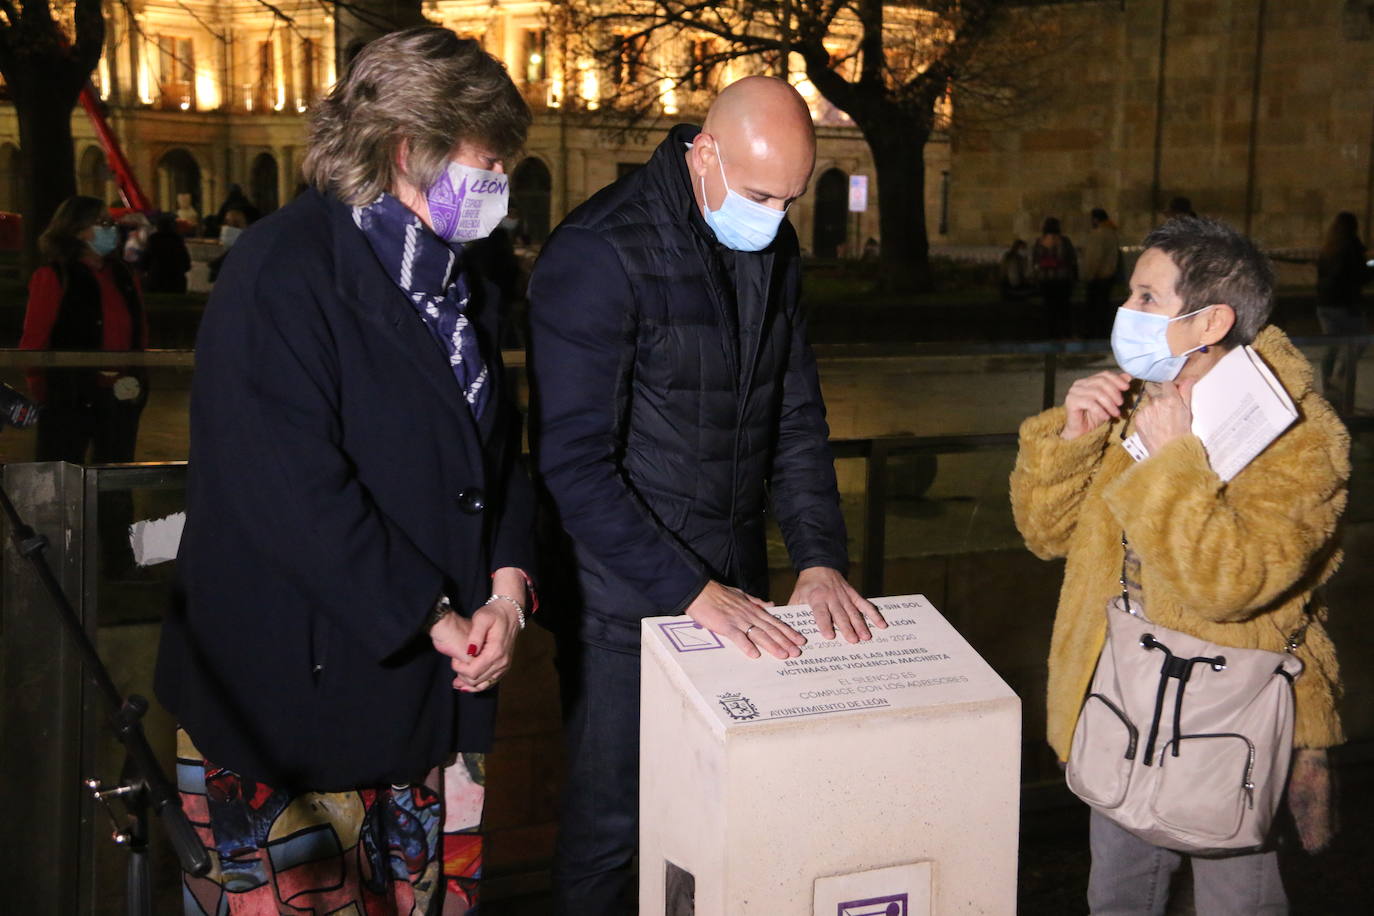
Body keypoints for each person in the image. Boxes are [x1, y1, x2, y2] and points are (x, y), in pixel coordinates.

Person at [155, 28, 536, 914]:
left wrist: (510, 589)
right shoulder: (280, 269)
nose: (501, 187)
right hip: (296, 703)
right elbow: (288, 492)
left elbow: (499, 456)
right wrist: (430, 615)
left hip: (433, 692)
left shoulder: (461, 281)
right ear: (410, 150)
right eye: (489, 163)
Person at [527, 76, 885, 915]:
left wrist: (820, 559)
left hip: (734, 592)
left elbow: (793, 416)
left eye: (790, 199)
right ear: (704, 153)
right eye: (762, 194)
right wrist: (687, 590)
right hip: (621, 610)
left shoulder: (773, 247)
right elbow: (572, 464)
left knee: (720, 819)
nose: (775, 215)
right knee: (610, 835)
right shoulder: (599, 252)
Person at [1010, 216, 1347, 914]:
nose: (1124, 312)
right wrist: (1073, 440)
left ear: (1210, 321)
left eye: (1144, 297)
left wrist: (1172, 464)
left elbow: (1233, 583)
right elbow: (1044, 535)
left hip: (1231, 719)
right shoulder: (1137, 401)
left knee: (1236, 901)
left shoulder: (1300, 436)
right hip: (1121, 699)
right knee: (1117, 897)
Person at [19, 195, 149, 465]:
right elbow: (35, 339)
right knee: (61, 475)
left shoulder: (124, 276)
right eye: (101, 222)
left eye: (111, 222)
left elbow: (140, 330)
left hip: (121, 395)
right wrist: (42, 388)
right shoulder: (55, 277)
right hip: (70, 395)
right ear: (76, 231)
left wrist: (140, 375)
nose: (110, 229)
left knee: (116, 476)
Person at [1315, 210, 1371, 403]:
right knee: (1360, 341)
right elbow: (1360, 276)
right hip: (1346, 306)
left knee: (1332, 346)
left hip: (1325, 305)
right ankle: (1341, 378)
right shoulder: (1353, 247)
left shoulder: (1328, 248)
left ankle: (1328, 384)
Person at [1031, 216, 1077, 337]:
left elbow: (1035, 261)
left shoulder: (1039, 242)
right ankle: (1064, 334)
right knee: (1063, 310)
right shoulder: (1064, 241)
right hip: (1062, 280)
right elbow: (1072, 259)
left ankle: (1050, 334)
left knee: (1049, 309)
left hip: (1046, 281)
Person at [1079, 208, 1121, 335]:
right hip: (1108, 276)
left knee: (1093, 308)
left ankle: (1092, 334)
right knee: (1104, 307)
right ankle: (1103, 333)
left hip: (1097, 277)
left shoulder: (1099, 234)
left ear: (1095, 219)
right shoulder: (1112, 233)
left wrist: (1089, 275)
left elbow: (1095, 257)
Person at [141, 212, 192, 293]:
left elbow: (145, 260)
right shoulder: (177, 240)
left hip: (156, 280)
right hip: (176, 281)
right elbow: (186, 263)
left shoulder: (154, 240)